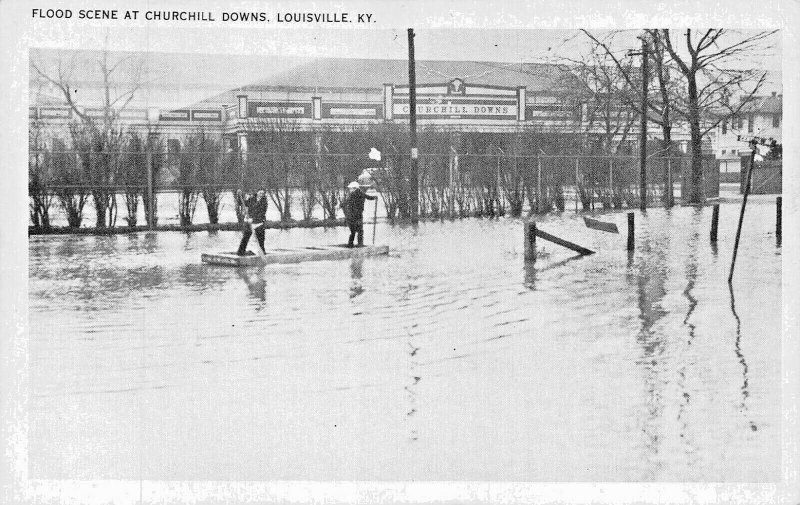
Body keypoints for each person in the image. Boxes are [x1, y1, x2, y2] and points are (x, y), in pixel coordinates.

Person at [343, 181, 377, 247]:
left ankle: (350, 245)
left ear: (355, 188)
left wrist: (340, 205)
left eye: (350, 189)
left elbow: (346, 202)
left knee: (353, 232)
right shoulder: (361, 193)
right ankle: (360, 245)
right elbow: (368, 197)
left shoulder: (352, 195)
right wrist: (375, 197)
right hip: (358, 215)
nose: (350, 190)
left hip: (352, 216)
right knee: (360, 231)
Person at [237, 189, 268, 256]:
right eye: (260, 193)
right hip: (249, 222)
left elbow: (262, 214)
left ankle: (262, 253)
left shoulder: (264, 202)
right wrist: (239, 195)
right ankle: (240, 253)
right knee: (245, 238)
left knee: (261, 240)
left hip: (259, 223)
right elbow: (242, 203)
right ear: (257, 192)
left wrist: (253, 219)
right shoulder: (252, 199)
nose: (261, 194)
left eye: (263, 193)